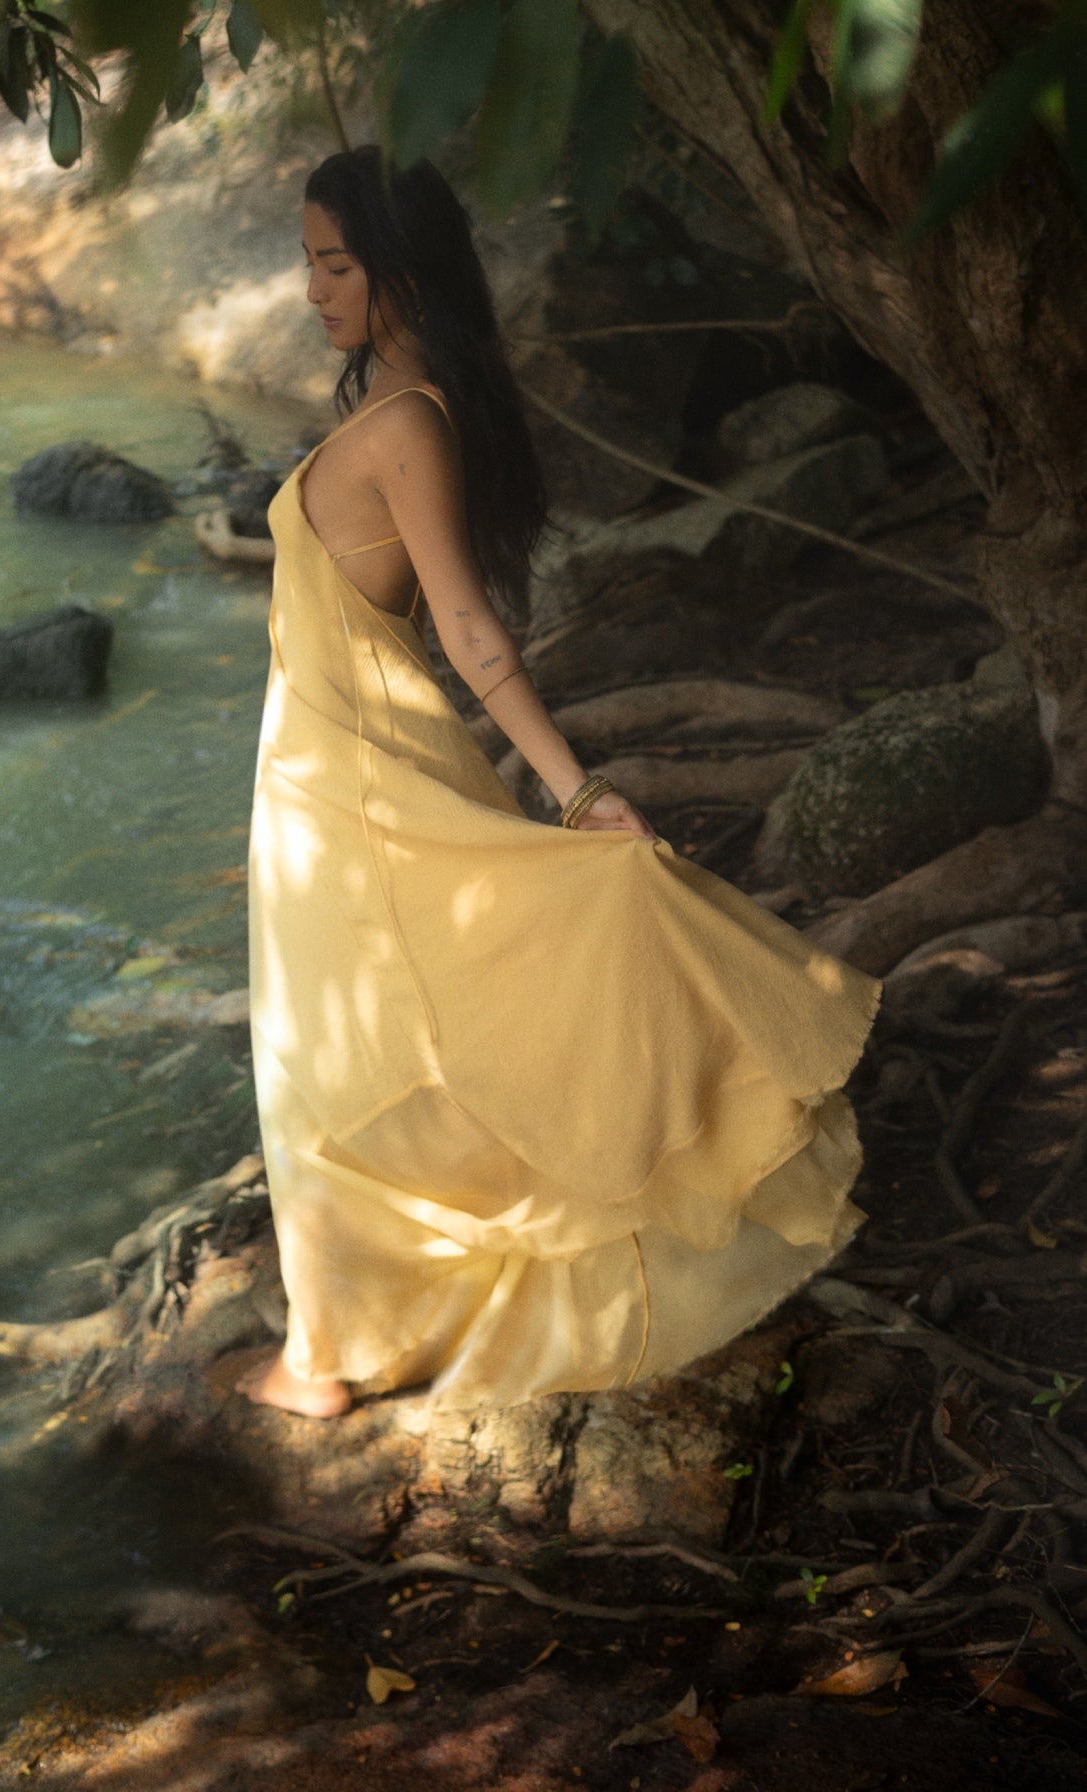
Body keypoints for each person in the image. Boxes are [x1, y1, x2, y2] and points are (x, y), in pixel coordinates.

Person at [238, 144, 881, 1420]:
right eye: (310, 263)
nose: (311, 290)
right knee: (349, 1051)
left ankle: (327, 1356)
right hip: (330, 769)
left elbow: (472, 632)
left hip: (351, 783)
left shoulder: (407, 426)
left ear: (401, 274)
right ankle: (365, 1317)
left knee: (330, 1062)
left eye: (333, 264)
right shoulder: (406, 409)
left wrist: (576, 791)